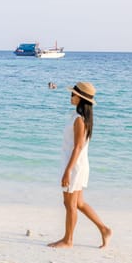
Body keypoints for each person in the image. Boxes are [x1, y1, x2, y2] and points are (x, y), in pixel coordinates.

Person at [48, 82, 112, 249]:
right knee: (78, 203)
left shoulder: (79, 120)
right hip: (79, 165)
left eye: (73, 95)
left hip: (74, 166)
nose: (70, 97)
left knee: (69, 204)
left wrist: (67, 171)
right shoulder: (84, 119)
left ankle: (68, 240)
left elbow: (77, 147)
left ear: (81, 99)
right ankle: (104, 229)